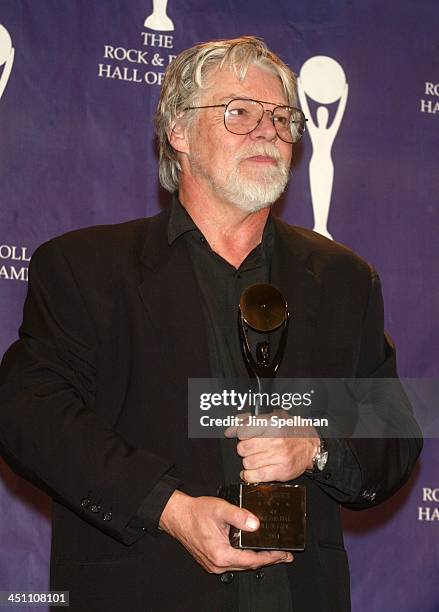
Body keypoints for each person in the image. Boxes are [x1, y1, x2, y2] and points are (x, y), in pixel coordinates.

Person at [0, 36, 422, 612]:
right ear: (178, 132)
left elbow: (395, 434)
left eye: (281, 117)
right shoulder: (86, 269)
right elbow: (30, 412)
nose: (268, 130)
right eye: (239, 112)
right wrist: (170, 509)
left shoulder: (345, 280)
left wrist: (317, 446)